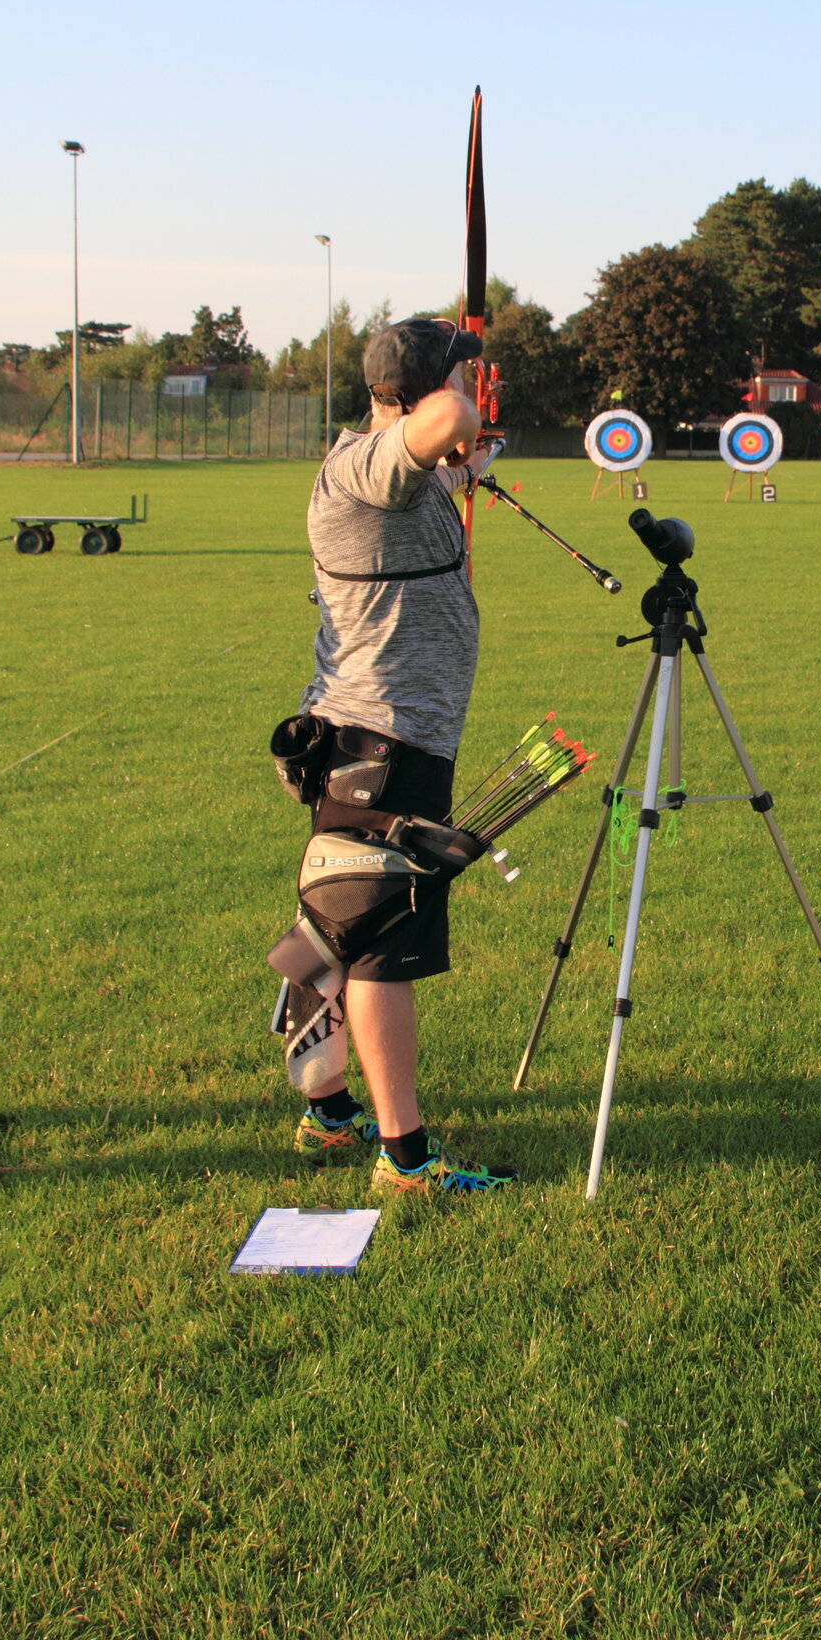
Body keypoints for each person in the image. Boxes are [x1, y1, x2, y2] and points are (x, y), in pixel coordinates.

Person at [282, 314, 513, 1200]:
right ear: (421, 389)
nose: (477, 395)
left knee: (332, 922)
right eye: (466, 376)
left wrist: (463, 454)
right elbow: (443, 425)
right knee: (381, 944)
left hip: (373, 735)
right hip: (386, 740)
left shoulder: (395, 471)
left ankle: (327, 1105)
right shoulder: (362, 469)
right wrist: (459, 403)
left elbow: (447, 441)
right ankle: (405, 1157)